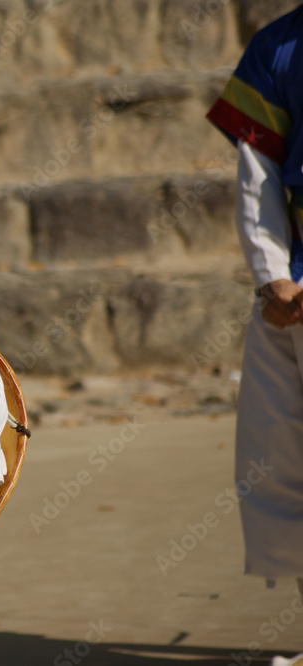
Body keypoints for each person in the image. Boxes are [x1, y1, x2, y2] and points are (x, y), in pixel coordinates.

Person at [206, 7, 303, 600]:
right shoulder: (280, 46)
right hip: (291, 285)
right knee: (282, 458)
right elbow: (258, 171)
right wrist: (274, 280)